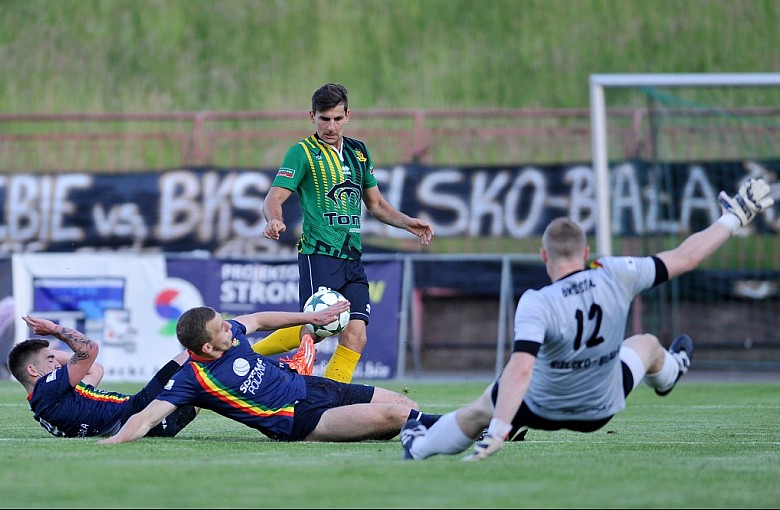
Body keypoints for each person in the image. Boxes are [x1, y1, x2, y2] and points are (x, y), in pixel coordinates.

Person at [400, 176, 774, 461]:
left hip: (541, 408)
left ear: (544, 256)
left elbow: (521, 369)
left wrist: (499, 426)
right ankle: (672, 371)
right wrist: (734, 217)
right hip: (601, 409)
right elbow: (687, 258)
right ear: (587, 252)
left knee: (481, 407)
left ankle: (418, 448)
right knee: (646, 345)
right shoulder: (617, 273)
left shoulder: (536, 301)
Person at [254, 82, 434, 383]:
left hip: (352, 258)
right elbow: (273, 197)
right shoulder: (301, 153)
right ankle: (246, 357)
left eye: (337, 118)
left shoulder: (358, 152)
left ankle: (332, 400)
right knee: (316, 329)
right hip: (320, 254)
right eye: (324, 119)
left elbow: (375, 204)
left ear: (348, 116)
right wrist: (274, 219)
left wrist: (407, 223)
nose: (331, 126)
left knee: (356, 335)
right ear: (312, 116)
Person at [98, 304, 440, 445]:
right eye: (221, 328)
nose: (230, 327)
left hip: (312, 386)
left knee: (404, 404)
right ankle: (475, 424)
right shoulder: (192, 378)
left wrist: (312, 319)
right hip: (302, 420)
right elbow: (145, 418)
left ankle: (368, 427)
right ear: (205, 348)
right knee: (400, 414)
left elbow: (260, 320)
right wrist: (111, 442)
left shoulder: (228, 336)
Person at [7, 315, 199, 438]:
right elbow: (89, 349)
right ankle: (228, 327)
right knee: (197, 352)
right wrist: (54, 330)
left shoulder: (50, 400)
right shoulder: (47, 390)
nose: (57, 363)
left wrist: (44, 352)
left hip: (155, 423)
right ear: (32, 371)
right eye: (50, 360)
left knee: (206, 378)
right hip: (141, 412)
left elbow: (94, 370)